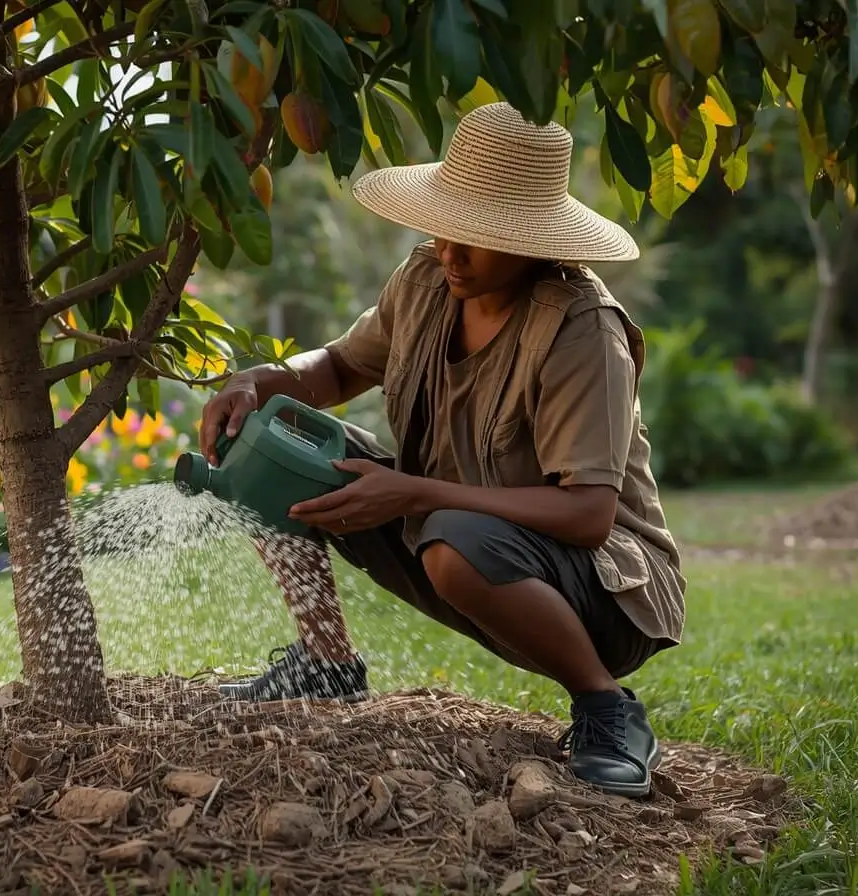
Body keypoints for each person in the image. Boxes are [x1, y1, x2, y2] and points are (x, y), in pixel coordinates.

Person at [197, 103, 686, 798]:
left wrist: (419, 494)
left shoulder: (581, 330)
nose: (451, 252)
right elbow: (336, 368)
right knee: (274, 446)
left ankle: (607, 709)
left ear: (532, 240)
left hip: (601, 589)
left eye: (477, 238)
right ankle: (327, 665)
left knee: (454, 539)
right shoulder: (428, 280)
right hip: (451, 532)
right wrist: (254, 382)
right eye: (446, 228)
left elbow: (588, 517)